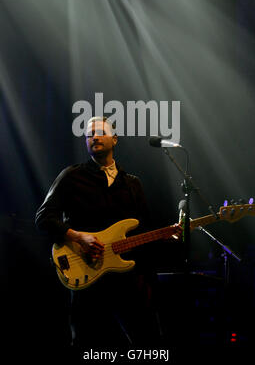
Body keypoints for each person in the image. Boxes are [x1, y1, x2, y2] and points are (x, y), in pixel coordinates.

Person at [35, 116, 182, 351]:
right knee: (86, 343)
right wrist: (79, 237)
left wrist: (163, 236)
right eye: (88, 134)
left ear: (114, 139)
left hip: (126, 278)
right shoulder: (72, 176)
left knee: (148, 342)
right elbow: (44, 218)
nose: (93, 137)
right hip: (86, 273)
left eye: (99, 132)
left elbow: (142, 230)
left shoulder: (132, 183)